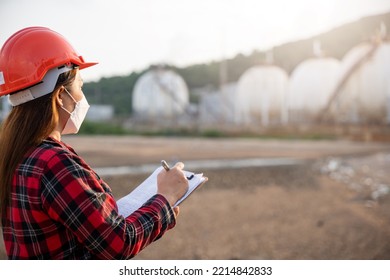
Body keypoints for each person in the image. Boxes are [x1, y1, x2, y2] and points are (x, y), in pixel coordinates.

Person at [0, 27, 189, 259]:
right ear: (60, 96)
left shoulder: (16, 153)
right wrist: (166, 198)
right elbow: (119, 243)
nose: (81, 97)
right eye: (80, 86)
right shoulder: (53, 163)